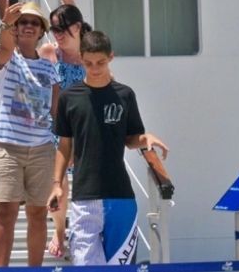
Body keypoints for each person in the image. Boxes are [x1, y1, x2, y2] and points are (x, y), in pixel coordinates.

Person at [48, 31, 169, 266]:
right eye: (89, 62)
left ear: (111, 57)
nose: (94, 68)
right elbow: (64, 145)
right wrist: (56, 185)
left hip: (121, 197)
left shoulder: (124, 94)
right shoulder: (68, 97)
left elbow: (130, 138)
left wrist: (145, 139)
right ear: (81, 58)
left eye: (100, 62)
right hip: (84, 199)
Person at [0, 1, 60, 267]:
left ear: (41, 30)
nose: (28, 27)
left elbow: (56, 110)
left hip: (41, 147)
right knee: (5, 212)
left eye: (34, 22)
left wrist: (66, 147)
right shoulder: (7, 58)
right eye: (23, 22)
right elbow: (5, 45)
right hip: (7, 146)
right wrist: (7, 23)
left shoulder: (49, 67)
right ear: (15, 28)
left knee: (38, 213)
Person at [38, 4, 92, 258]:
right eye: (54, 28)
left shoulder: (91, 57)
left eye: (62, 28)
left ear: (78, 27)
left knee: (84, 186)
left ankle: (81, 231)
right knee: (57, 184)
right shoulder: (49, 53)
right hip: (54, 127)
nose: (57, 33)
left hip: (83, 130)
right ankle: (59, 231)